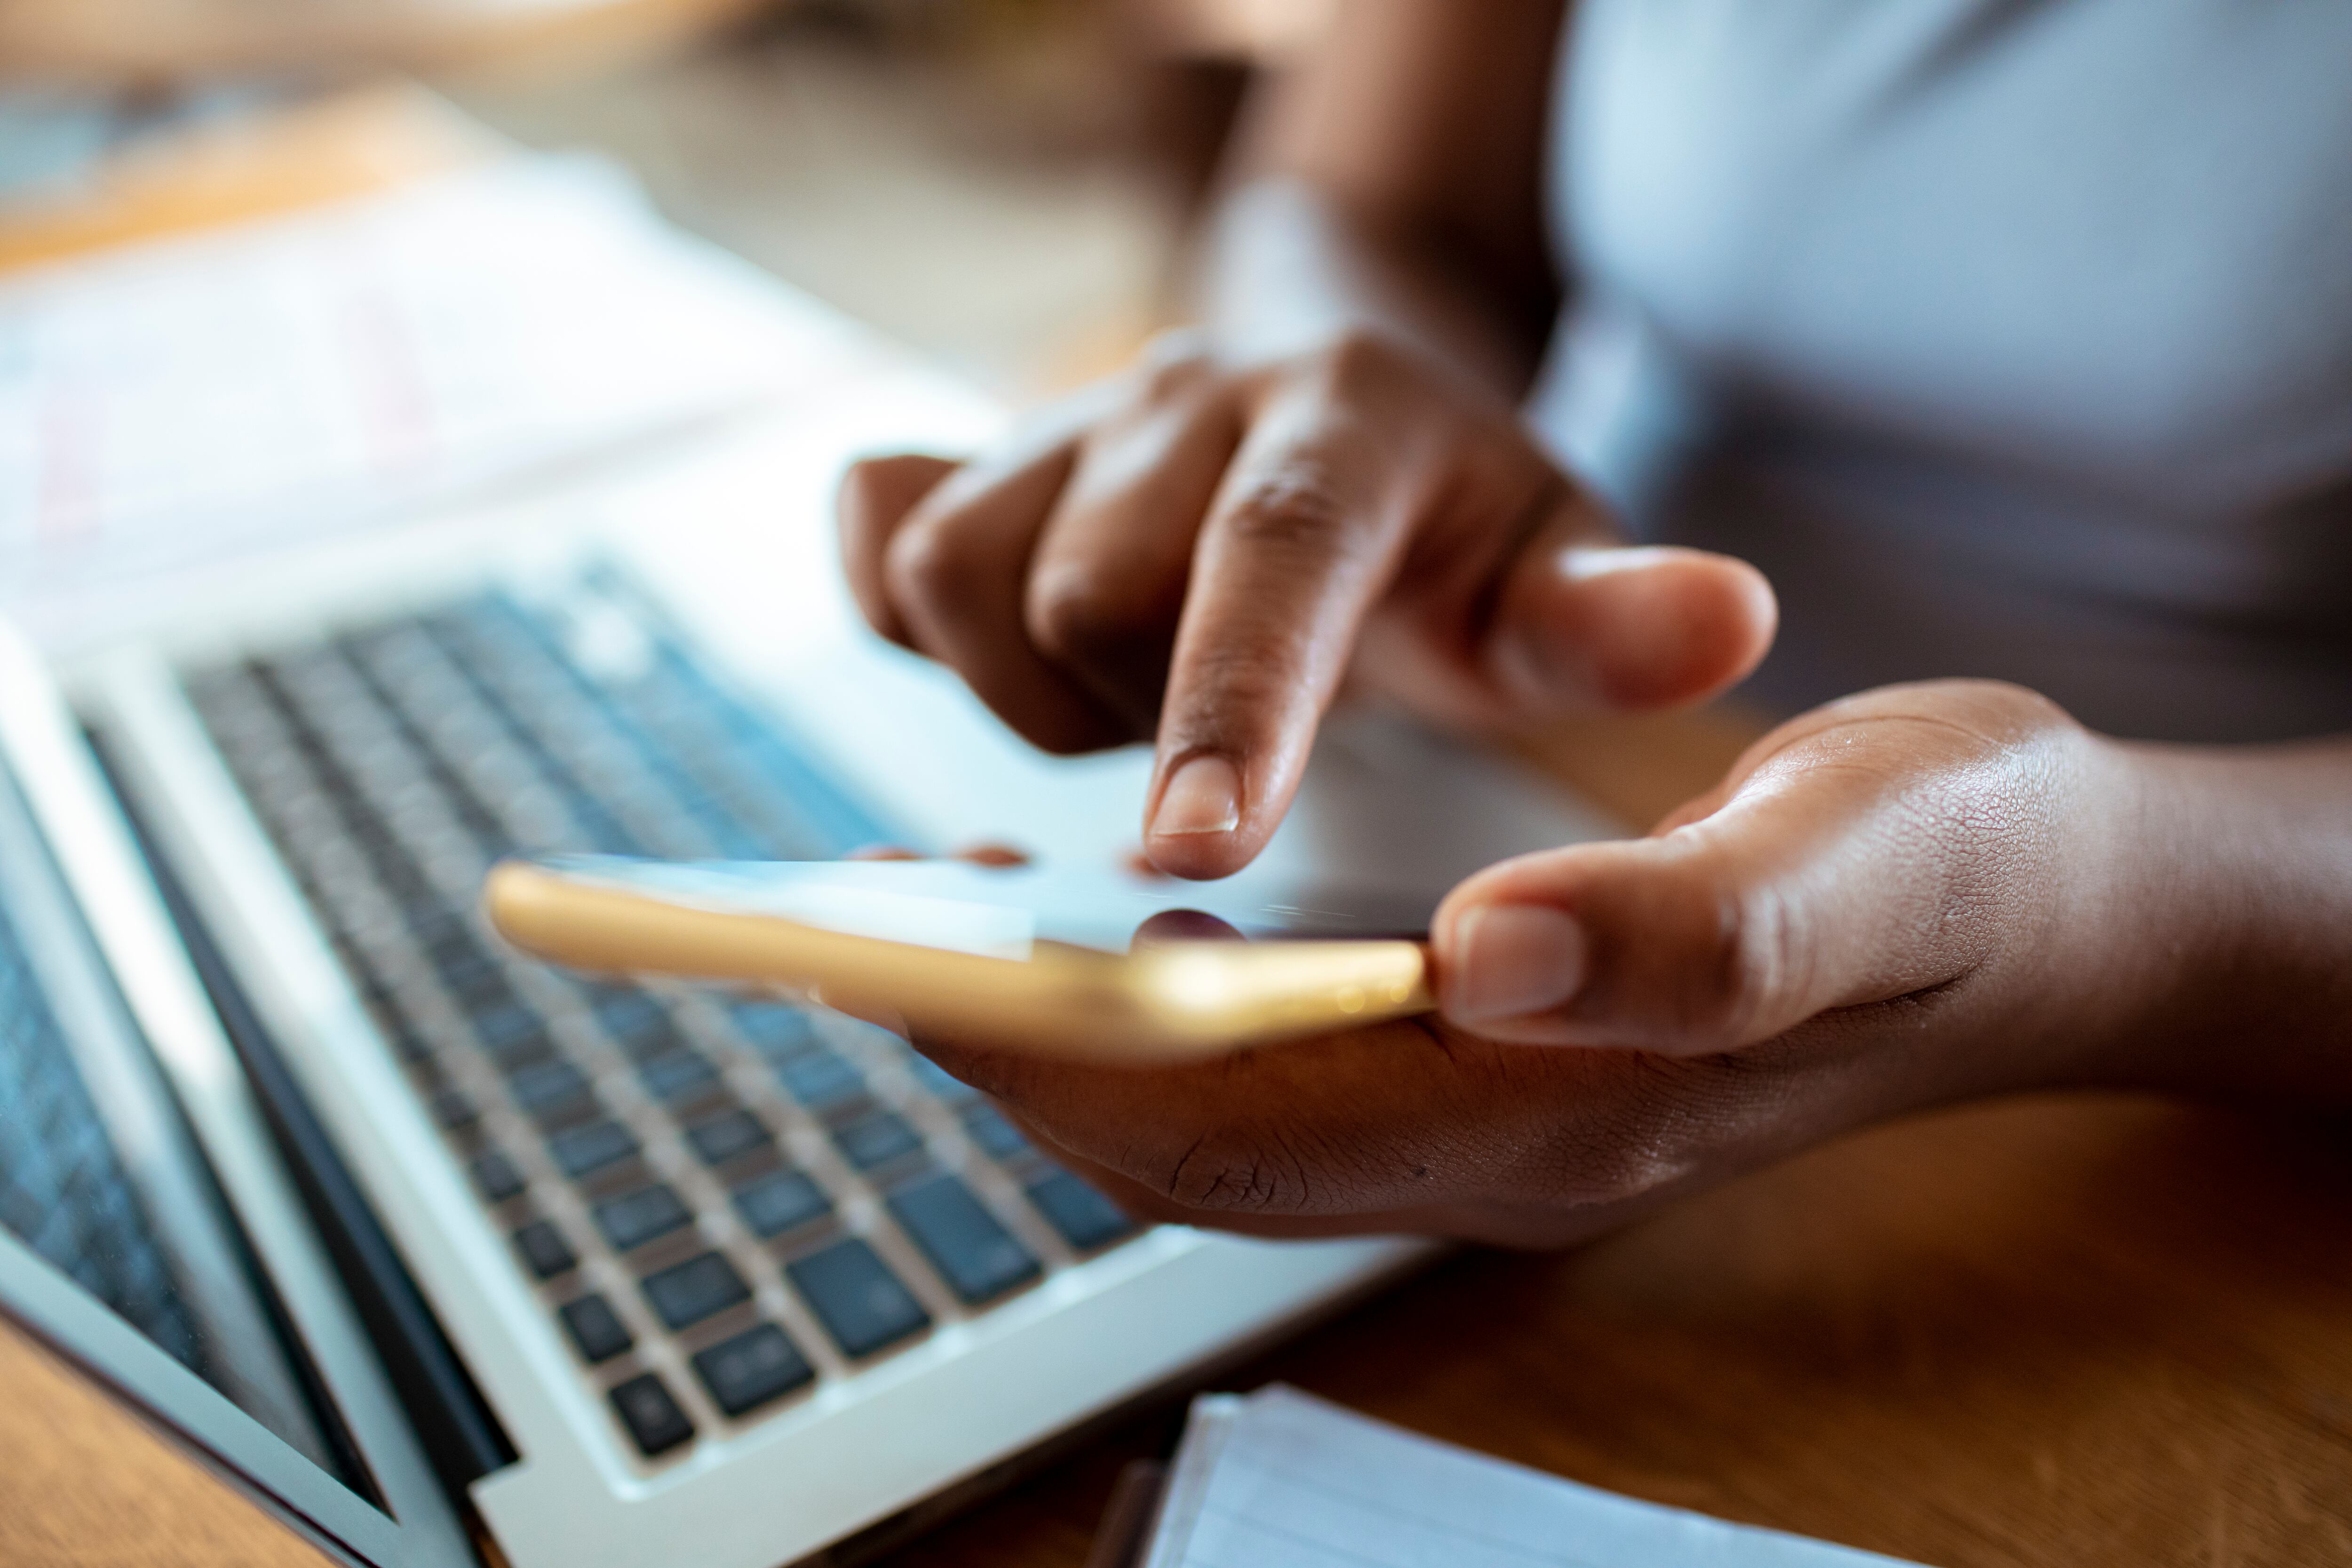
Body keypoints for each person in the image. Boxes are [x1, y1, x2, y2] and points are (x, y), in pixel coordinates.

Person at [832, 0, 2352, 1245]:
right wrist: (1335, 432)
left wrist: (2111, 921)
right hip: (1499, 749)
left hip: (2192, 1051)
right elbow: (1365, 199)